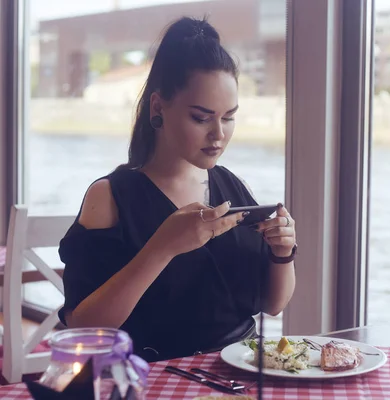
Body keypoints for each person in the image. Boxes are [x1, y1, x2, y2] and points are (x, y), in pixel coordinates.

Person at [58, 17, 297, 362]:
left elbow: (274, 305)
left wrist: (283, 252)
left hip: (243, 369)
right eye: (201, 118)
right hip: (155, 376)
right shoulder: (110, 196)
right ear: (158, 107)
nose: (218, 134)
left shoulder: (233, 186)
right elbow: (83, 326)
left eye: (228, 117)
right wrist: (162, 248)